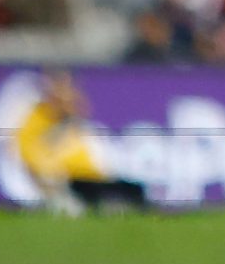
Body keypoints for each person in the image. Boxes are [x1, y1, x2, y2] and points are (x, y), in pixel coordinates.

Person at [15, 73, 147, 214]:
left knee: (134, 192)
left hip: (95, 180)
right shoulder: (36, 121)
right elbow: (35, 165)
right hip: (69, 183)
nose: (71, 100)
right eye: (62, 94)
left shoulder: (79, 127)